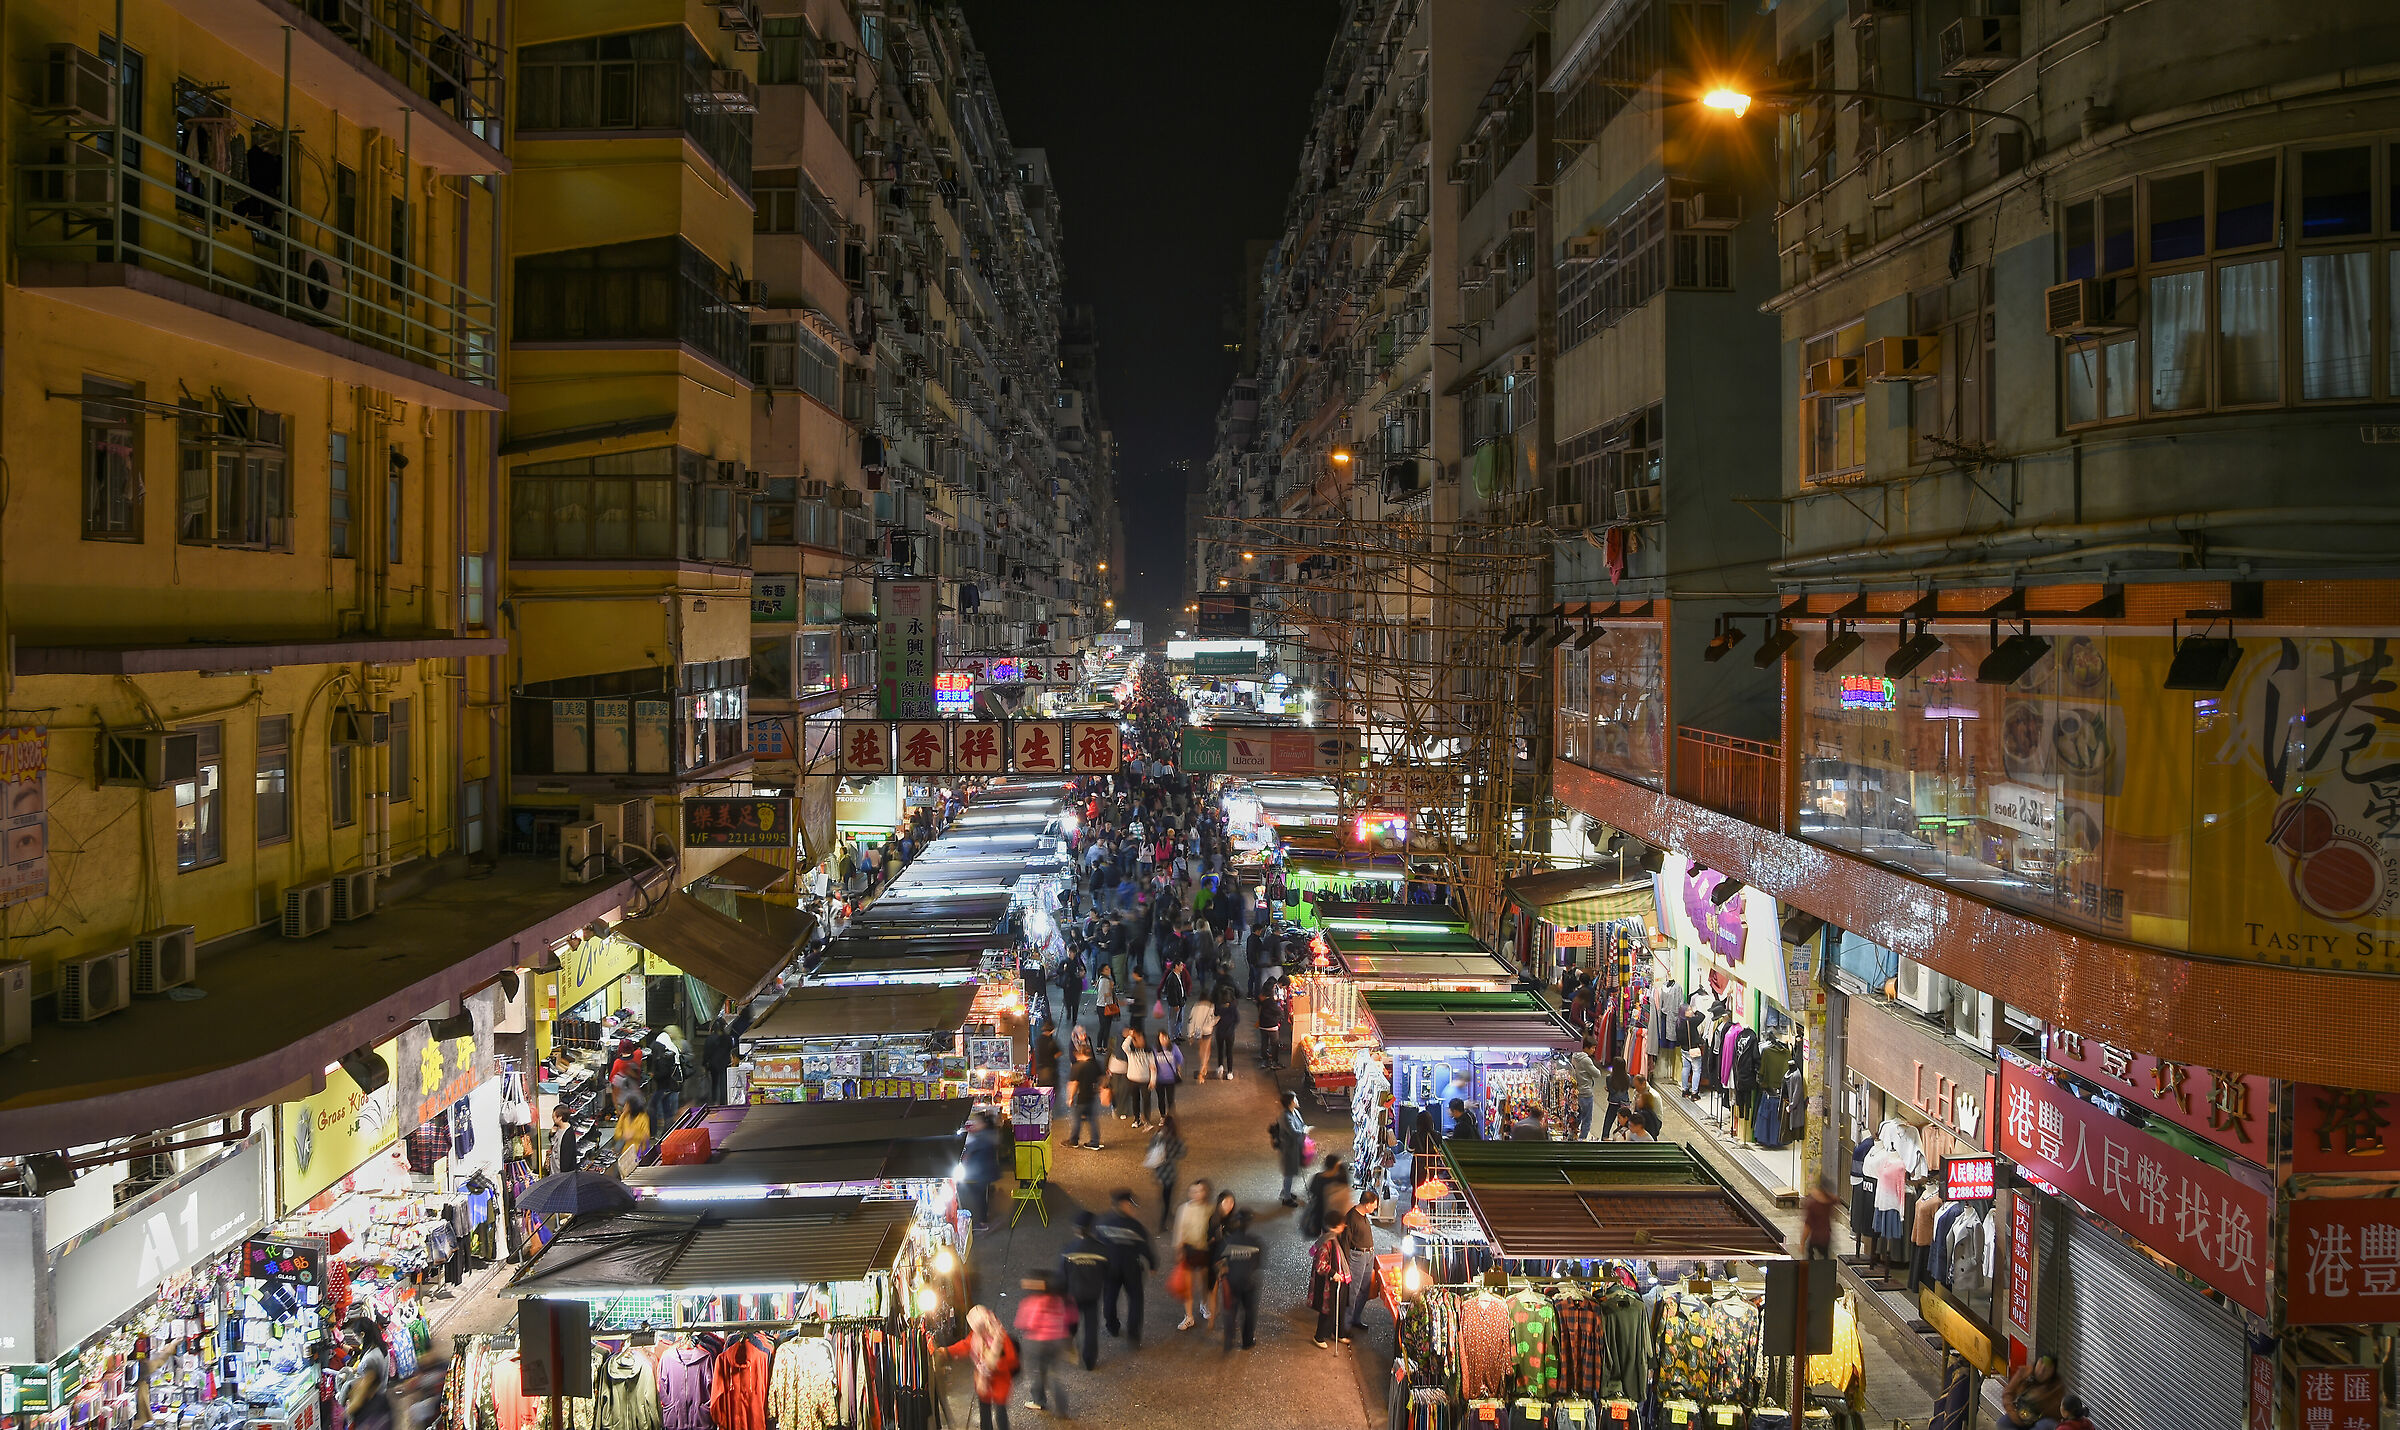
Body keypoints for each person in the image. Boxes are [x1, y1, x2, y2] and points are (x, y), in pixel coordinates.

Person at [940, 1304, 1018, 1430]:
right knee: (985, 1413)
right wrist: (948, 1351)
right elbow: (965, 1345)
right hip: (984, 1384)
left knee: (1000, 1414)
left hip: (1000, 1382)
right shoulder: (977, 1336)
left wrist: (995, 1365)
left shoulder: (1000, 1338)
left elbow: (1011, 1359)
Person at [1095, 1189, 1156, 1347]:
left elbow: (1096, 1244)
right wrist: (1153, 1264)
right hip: (1131, 1269)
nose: (1133, 1209)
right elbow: (1144, 1248)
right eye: (1131, 1205)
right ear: (1123, 1204)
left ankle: (1112, 1326)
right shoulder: (1134, 1226)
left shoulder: (1101, 1222)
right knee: (1135, 1301)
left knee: (1109, 1298)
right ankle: (1133, 1336)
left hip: (1109, 1268)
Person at [1013, 1273, 1076, 1420]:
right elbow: (1070, 1318)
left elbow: (1024, 1323)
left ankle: (1038, 1401)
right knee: (1054, 1375)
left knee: (1037, 1372)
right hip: (1056, 1341)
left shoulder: (1031, 1302)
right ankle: (1061, 1408)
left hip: (1036, 1344)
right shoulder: (1059, 1300)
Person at [1056, 1213, 1112, 1370]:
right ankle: (1089, 1360)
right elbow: (1109, 1273)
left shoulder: (1068, 1250)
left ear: (1076, 1229)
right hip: (1092, 1295)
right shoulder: (1102, 1250)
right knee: (1091, 1328)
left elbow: (1061, 1276)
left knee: (1071, 1321)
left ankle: (1069, 1341)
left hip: (1073, 1295)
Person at [1334, 1190, 1382, 1342]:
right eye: (1374, 1204)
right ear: (1367, 1204)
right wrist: (1346, 1265)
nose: (1375, 1207)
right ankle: (1344, 1328)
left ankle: (1355, 1318)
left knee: (1364, 1289)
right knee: (1352, 1292)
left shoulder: (1363, 1215)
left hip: (1368, 1255)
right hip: (1357, 1257)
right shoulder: (1351, 1218)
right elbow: (1345, 1242)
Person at [1216, 1209, 1265, 1353]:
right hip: (1249, 1282)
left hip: (1232, 1282)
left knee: (1231, 1310)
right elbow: (1258, 1264)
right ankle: (1247, 1341)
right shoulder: (1256, 1242)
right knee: (1249, 1312)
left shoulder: (1227, 1241)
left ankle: (1229, 1340)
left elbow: (1219, 1261)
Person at [1171, 1179, 1214, 1330]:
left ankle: (1204, 1304)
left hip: (1204, 1250)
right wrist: (1179, 1249)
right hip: (1189, 1250)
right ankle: (1189, 1316)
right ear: (1189, 1193)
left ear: (1205, 1192)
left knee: (1203, 1282)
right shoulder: (1184, 1209)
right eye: (1194, 1191)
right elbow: (1179, 1230)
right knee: (1188, 1284)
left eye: (1200, 1191)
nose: (1197, 1194)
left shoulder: (1210, 1209)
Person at [960, 1111, 1003, 1233]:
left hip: (981, 1173)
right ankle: (983, 1217)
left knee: (978, 1196)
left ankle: (982, 1222)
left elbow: (970, 1148)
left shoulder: (982, 1138)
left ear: (983, 1124)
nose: (974, 1125)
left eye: (976, 1123)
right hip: (984, 1172)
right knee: (980, 1195)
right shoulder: (988, 1134)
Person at [1067, 1030, 1105, 1151]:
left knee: (1076, 1120)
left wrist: (1070, 1098)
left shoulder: (1077, 1067)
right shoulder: (1095, 1064)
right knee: (1093, 1120)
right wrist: (1100, 1090)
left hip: (1081, 1098)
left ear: (1080, 1053)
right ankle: (1094, 1142)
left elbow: (1074, 1084)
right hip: (1092, 1097)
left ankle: (1073, 1140)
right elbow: (1103, 1078)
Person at [2005, 1354, 2067, 1427]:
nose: (2041, 1371)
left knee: (2045, 1425)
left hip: (2042, 1419)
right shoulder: (2024, 1372)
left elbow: (2057, 1412)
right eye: (2040, 1365)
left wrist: (2040, 1397)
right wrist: (2012, 1412)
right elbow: (2008, 1393)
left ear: (2052, 1372)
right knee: (2003, 1422)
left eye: (2047, 1369)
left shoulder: (2057, 1387)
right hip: (2021, 1413)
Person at [1147, 1117, 1186, 1231]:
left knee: (1164, 1195)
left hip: (1160, 1172)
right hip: (1171, 1173)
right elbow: (1182, 1153)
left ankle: (1166, 1214)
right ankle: (1163, 1221)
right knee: (1168, 1197)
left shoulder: (1157, 1137)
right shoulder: (1176, 1138)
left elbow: (1150, 1150)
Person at [1274, 1092, 1311, 1205]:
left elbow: (1301, 1125)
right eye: (1295, 1099)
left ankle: (1286, 1192)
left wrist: (1305, 1128)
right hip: (1289, 1149)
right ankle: (1286, 1198)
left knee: (1290, 1172)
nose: (1297, 1101)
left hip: (1295, 1147)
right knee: (1289, 1173)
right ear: (1290, 1102)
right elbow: (1293, 1132)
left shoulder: (1295, 1112)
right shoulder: (1285, 1117)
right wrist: (1305, 1131)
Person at [1301, 1153, 1344, 1238]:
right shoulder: (1336, 1181)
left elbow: (1311, 1191)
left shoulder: (1317, 1177)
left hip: (1317, 1211)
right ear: (1335, 1166)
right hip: (1330, 1213)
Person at [1117, 1027, 1153, 1129]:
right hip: (1133, 1080)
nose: (1139, 1041)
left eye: (1141, 1038)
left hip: (1145, 1080)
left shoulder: (1148, 1052)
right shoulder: (1130, 1052)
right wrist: (1130, 1036)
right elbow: (1124, 1046)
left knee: (1146, 1100)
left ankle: (1147, 1120)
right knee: (1135, 1100)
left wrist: (1153, 1080)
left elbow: (1153, 1067)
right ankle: (1137, 1119)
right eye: (1136, 1039)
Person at [1567, 1045, 1604, 1140]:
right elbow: (1597, 1074)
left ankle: (1572, 1137)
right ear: (1586, 1048)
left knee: (1576, 1117)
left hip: (1576, 1093)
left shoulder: (1574, 1057)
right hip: (1586, 1093)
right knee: (1587, 1120)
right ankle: (1581, 1140)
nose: (1594, 1050)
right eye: (1592, 1048)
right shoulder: (1586, 1060)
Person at [1151, 1030, 1183, 1118]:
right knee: (1161, 1099)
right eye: (1162, 1038)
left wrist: (1178, 1070)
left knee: (1170, 1098)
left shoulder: (1174, 1048)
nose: (1164, 1040)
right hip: (1159, 1079)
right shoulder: (1155, 1049)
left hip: (1170, 1079)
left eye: (1165, 1037)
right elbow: (1152, 1063)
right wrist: (1152, 1079)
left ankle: (1171, 1116)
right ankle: (1163, 1116)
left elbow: (1179, 1059)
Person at [1187, 995, 1219, 1082]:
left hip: (1198, 1030)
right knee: (1206, 1051)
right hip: (1207, 1030)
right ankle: (1201, 1071)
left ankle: (1204, 1067)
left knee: (1201, 1050)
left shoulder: (1195, 1006)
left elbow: (1191, 1020)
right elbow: (1211, 1020)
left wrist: (1190, 1035)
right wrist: (1217, 1019)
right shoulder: (1211, 1006)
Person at [1804, 1180, 1838, 1259]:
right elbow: (1835, 1199)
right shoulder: (1829, 1202)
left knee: (1810, 1260)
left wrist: (1802, 1242)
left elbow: (1807, 1226)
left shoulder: (1813, 1205)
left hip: (1815, 1238)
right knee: (1825, 1258)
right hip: (1826, 1238)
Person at [1601, 1060, 1633, 1139]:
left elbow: (1612, 1091)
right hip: (1624, 1103)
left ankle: (1604, 1138)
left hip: (1613, 1103)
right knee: (1623, 1125)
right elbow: (1626, 1089)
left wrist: (1607, 1089)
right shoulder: (1628, 1077)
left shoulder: (1609, 1077)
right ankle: (1621, 1138)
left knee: (1608, 1123)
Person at [548, 1105, 582, 1176]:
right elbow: (553, 1142)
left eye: (554, 1117)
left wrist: (564, 1175)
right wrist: (551, 1134)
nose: (552, 1118)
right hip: (554, 1170)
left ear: (560, 1117)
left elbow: (567, 1157)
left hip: (562, 1173)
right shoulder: (557, 1128)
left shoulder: (568, 1134)